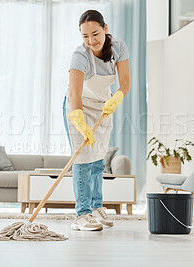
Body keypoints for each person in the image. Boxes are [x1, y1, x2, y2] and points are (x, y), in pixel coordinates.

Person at [63, 10, 130, 231]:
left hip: (103, 106)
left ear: (105, 28)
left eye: (95, 34)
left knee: (98, 159)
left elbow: (125, 83)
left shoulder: (118, 47)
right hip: (79, 107)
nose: (91, 41)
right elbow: (74, 94)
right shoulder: (80, 56)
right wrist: (80, 122)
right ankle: (82, 215)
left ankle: (96, 207)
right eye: (85, 36)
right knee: (82, 160)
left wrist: (117, 98)